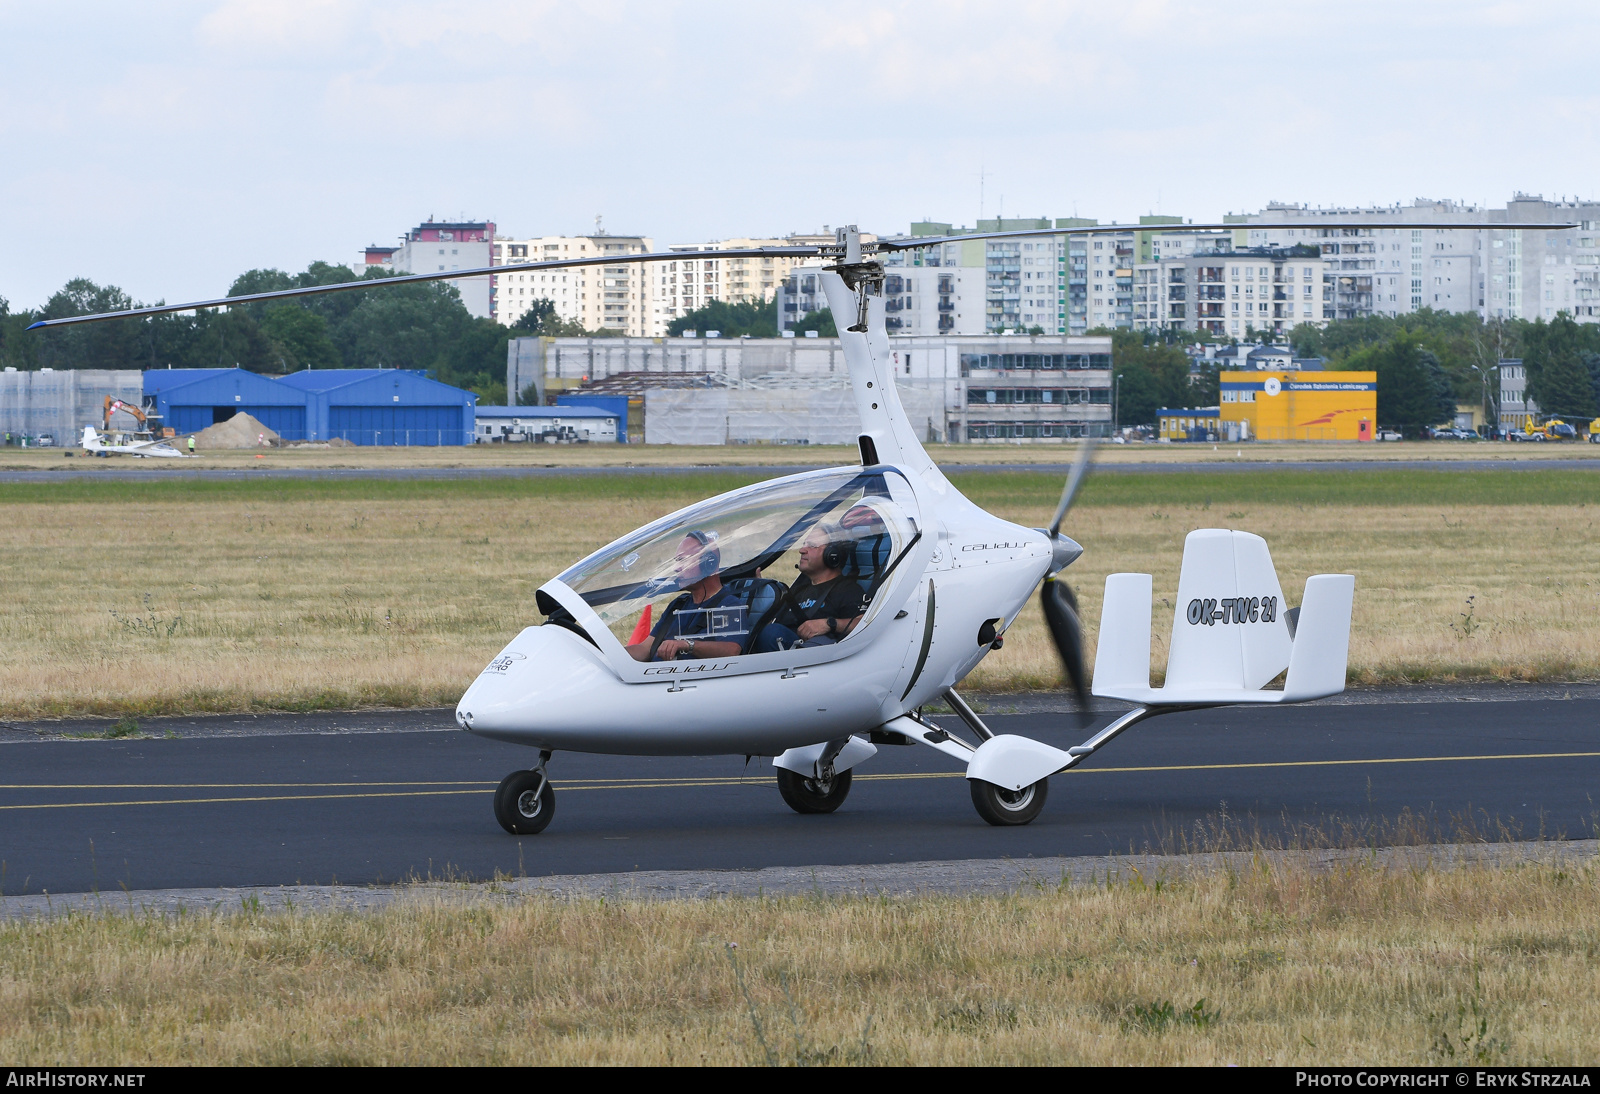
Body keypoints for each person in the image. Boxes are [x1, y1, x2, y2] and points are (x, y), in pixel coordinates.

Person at [626, 530, 749, 662]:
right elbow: (645, 649)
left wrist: (687, 645)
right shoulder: (679, 605)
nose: (676, 568)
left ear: (708, 564)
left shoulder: (729, 605)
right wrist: (608, 654)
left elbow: (731, 651)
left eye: (682, 560)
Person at [755, 523, 867, 653]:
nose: (802, 550)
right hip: (784, 655)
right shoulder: (799, 589)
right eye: (804, 544)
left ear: (832, 554)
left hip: (811, 661)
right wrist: (764, 595)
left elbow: (865, 623)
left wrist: (830, 624)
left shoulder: (848, 590)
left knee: (772, 633)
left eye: (812, 545)